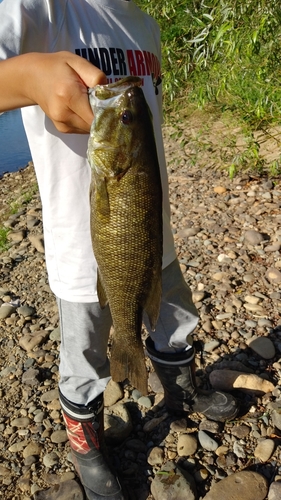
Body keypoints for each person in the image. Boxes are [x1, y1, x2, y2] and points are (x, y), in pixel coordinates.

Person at [0, 1, 238, 499]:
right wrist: (24, 78)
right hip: (79, 252)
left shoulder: (145, 24)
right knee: (84, 358)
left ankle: (180, 391)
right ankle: (86, 445)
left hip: (155, 236)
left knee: (175, 320)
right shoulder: (36, 9)